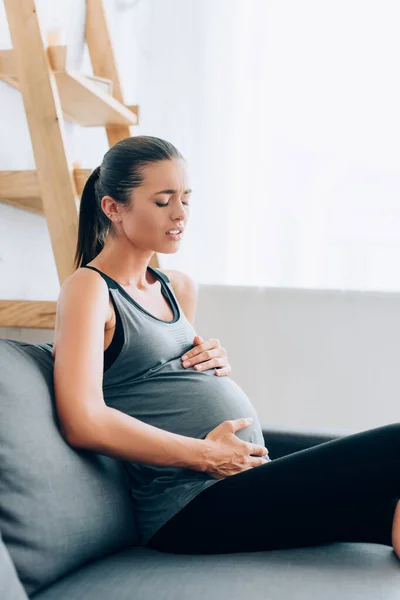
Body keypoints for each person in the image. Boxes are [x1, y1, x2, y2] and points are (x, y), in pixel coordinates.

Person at [52, 135, 400, 559]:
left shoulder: (176, 286)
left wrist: (207, 364)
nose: (180, 214)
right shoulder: (90, 290)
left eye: (186, 199)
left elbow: (162, 378)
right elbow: (82, 420)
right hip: (187, 507)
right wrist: (206, 455)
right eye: (163, 201)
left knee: (390, 512)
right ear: (113, 208)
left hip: (238, 481)